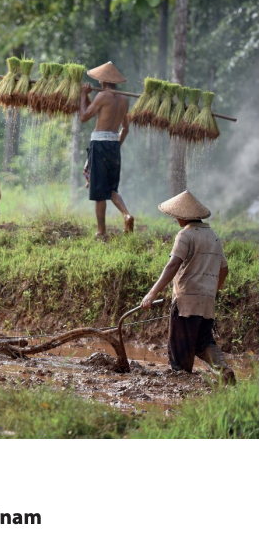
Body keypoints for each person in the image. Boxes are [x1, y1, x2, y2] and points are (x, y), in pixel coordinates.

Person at [140, 190, 235, 384]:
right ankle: (223, 370)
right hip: (206, 302)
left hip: (185, 303)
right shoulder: (213, 237)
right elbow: (224, 269)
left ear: (182, 217)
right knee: (203, 343)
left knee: (179, 348)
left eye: (177, 216)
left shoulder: (185, 235)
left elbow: (173, 265)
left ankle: (181, 384)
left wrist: (151, 293)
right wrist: (212, 292)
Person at [79, 61, 135, 240]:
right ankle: (126, 214)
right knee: (110, 188)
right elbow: (125, 128)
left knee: (99, 190)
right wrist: (116, 146)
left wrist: (81, 95)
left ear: (103, 82)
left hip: (100, 144)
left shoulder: (103, 96)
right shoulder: (124, 100)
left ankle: (101, 231)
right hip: (113, 146)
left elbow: (83, 116)